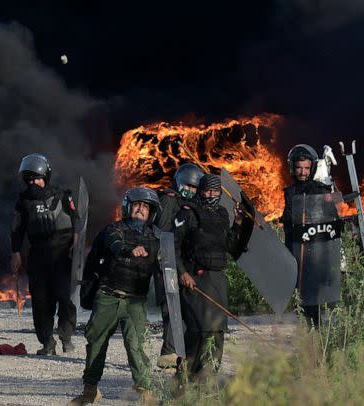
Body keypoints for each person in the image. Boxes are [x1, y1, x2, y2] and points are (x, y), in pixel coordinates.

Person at [69, 187, 161, 406]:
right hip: (108, 296)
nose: (141, 209)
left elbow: (167, 264)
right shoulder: (114, 229)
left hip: (135, 301)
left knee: (135, 344)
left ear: (151, 213)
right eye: (137, 205)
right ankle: (90, 389)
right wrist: (130, 250)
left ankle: (146, 391)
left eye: (145, 207)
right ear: (128, 207)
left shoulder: (156, 239)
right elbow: (115, 244)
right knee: (96, 343)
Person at [174, 173, 245, 382]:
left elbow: (231, 247)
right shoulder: (188, 213)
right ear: (200, 191)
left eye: (216, 191)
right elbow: (173, 246)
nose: (212, 195)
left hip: (217, 279)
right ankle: (183, 382)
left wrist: (238, 223)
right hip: (195, 278)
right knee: (198, 331)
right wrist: (182, 273)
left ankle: (207, 382)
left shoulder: (223, 214)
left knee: (217, 332)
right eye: (207, 190)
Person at [10, 153, 79, 355]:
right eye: (29, 179)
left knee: (65, 298)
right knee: (41, 301)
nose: (33, 183)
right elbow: (16, 230)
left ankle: (66, 337)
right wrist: (15, 253)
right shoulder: (23, 202)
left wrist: (76, 242)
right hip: (38, 255)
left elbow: (77, 222)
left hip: (62, 254)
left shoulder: (63, 196)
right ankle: (47, 342)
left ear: (45, 177)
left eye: (37, 178)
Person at [280, 144, 339, 327]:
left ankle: (323, 344)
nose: (302, 172)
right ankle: (308, 344)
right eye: (299, 168)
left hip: (319, 256)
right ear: (292, 168)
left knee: (321, 307)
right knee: (304, 307)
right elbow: (288, 223)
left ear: (312, 168)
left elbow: (333, 221)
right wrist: (293, 225)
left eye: (306, 168)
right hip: (299, 255)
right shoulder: (289, 193)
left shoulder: (320, 190)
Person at [154, 163, 204, 368]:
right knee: (171, 308)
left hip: (181, 262)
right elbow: (164, 235)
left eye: (194, 188)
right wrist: (169, 265)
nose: (190, 190)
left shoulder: (190, 204)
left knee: (181, 309)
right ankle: (168, 355)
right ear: (178, 183)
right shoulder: (169, 200)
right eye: (187, 186)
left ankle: (177, 354)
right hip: (167, 262)